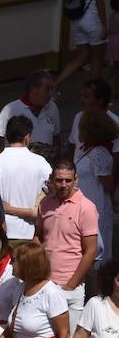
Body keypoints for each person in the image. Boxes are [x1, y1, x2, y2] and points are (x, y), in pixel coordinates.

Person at [38, 159, 100, 338]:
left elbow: (91, 251)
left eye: (68, 180)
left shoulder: (86, 207)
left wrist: (71, 285)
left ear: (75, 179)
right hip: (46, 284)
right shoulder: (45, 204)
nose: (63, 185)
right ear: (51, 180)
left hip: (70, 286)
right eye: (59, 180)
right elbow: (39, 236)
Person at [0, 115, 53, 244]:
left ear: (7, 137)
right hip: (33, 235)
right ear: (27, 138)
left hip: (2, 234)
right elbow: (54, 193)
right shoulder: (41, 162)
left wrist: (9, 209)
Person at [73, 110, 117, 265]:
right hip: (84, 210)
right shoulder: (87, 150)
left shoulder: (99, 153)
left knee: (98, 256)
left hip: (97, 209)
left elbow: (109, 184)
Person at [0, 71, 61, 156]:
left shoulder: (53, 108)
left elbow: (56, 138)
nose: (51, 93)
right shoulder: (12, 109)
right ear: (34, 89)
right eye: (47, 89)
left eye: (52, 89)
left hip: (45, 165)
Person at [55, 0, 108, 90]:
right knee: (96, 60)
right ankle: (92, 95)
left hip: (77, 16)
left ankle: (55, 85)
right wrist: (104, 24)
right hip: (92, 18)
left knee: (81, 56)